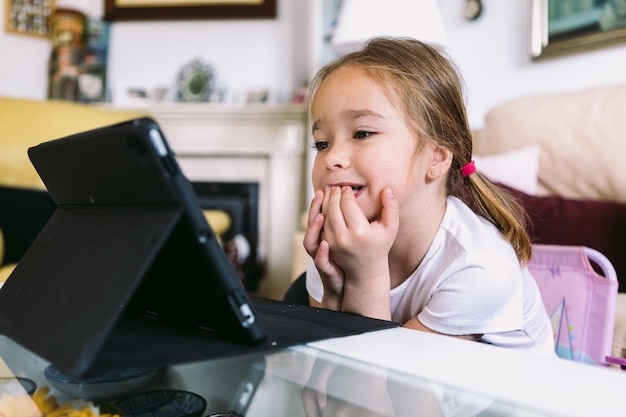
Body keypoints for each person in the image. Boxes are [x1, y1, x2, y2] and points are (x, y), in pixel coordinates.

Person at [303, 36, 555, 356]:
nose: (332, 157)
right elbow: (331, 366)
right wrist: (334, 286)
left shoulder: (480, 267)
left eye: (362, 133)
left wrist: (364, 272)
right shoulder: (337, 245)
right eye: (321, 143)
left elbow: (382, 388)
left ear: (436, 158)